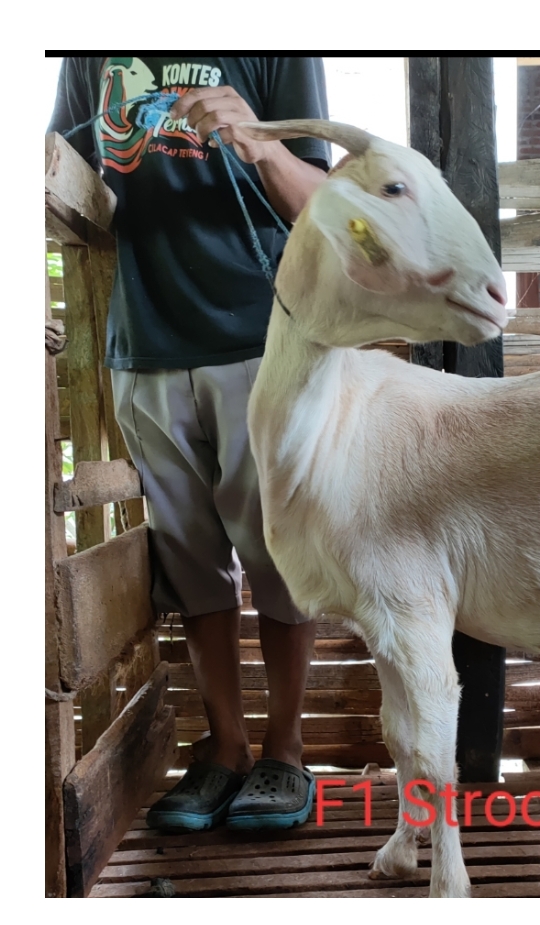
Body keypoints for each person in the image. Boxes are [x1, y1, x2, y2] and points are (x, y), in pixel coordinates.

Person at [48, 57, 331, 831]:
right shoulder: (90, 47)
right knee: (189, 559)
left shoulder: (278, 43)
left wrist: (260, 143)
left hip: (262, 341)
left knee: (279, 548)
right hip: (144, 343)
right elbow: (61, 166)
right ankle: (225, 748)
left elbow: (320, 201)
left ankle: (286, 749)